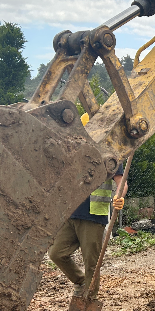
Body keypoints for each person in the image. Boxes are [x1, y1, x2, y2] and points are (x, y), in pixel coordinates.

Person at [48, 114, 127, 299]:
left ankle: (90, 297)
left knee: (92, 262)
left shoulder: (110, 155)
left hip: (93, 214)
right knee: (56, 253)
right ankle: (80, 281)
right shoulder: (73, 151)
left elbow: (121, 182)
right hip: (72, 212)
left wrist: (119, 196)